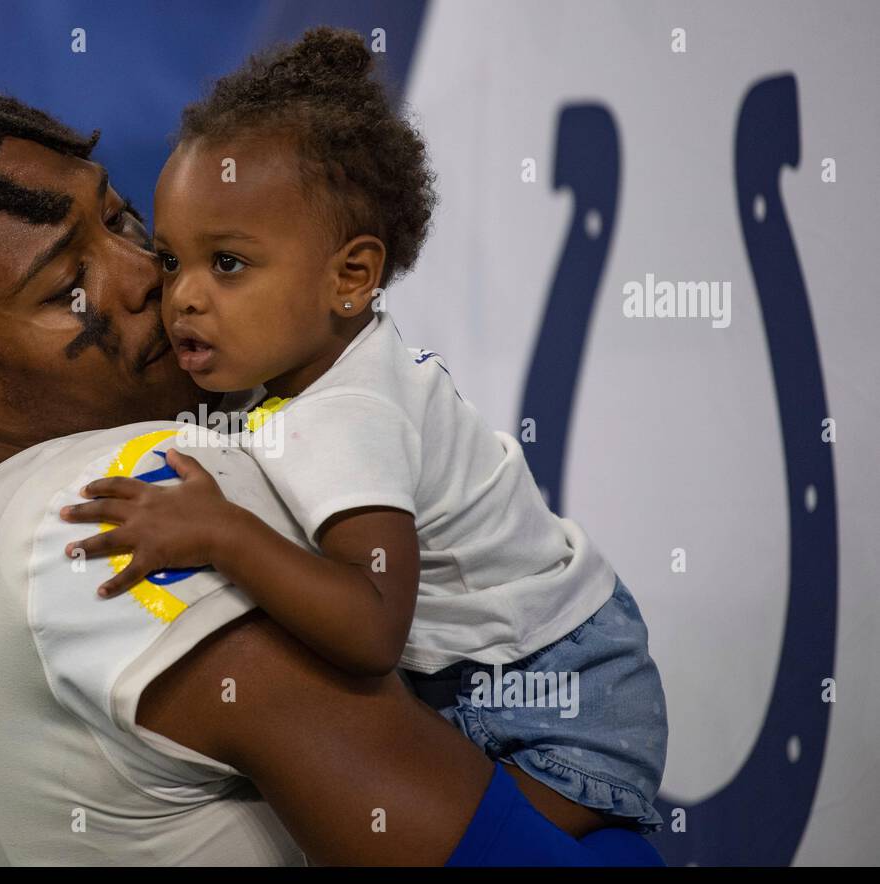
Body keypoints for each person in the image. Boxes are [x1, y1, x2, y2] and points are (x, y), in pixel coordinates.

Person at [0, 84, 663, 865]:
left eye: (116, 218)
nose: (149, 274)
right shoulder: (121, 498)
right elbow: (476, 857)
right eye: (66, 287)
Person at [61, 28, 668, 836]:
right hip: (535, 669)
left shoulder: (345, 416)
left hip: (553, 705)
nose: (184, 298)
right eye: (172, 262)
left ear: (351, 278)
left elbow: (372, 624)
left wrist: (221, 532)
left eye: (229, 264)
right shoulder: (310, 372)